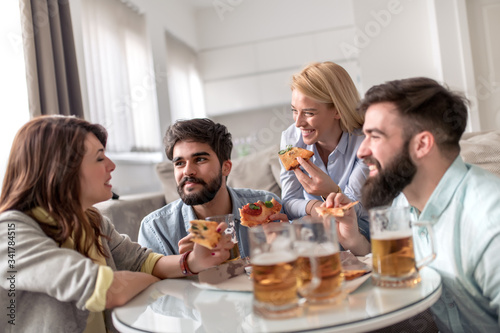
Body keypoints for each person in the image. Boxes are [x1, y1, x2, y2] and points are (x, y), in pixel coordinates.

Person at [0, 116, 233, 333]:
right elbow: (105, 289)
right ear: (61, 169)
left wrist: (191, 262)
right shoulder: (10, 230)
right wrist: (154, 282)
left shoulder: (92, 220)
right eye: (100, 157)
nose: (111, 165)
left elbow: (142, 261)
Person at [325, 77, 500, 332]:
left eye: (374, 136)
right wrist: (354, 240)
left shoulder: (489, 222)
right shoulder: (401, 204)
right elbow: (396, 271)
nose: (361, 152)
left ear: (421, 144)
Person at [138, 118, 287, 258]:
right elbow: (156, 285)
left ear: (226, 167)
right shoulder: (156, 229)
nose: (188, 171)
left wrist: (288, 242)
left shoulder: (267, 205)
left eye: (200, 159)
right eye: (179, 163)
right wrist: (187, 266)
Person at [280, 61, 369, 240]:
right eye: (294, 111)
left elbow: (357, 209)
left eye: (309, 113)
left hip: (361, 232)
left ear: (337, 110)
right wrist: (313, 207)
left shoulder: (365, 141)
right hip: (314, 233)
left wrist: (330, 191)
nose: (298, 123)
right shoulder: (291, 138)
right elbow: (288, 202)